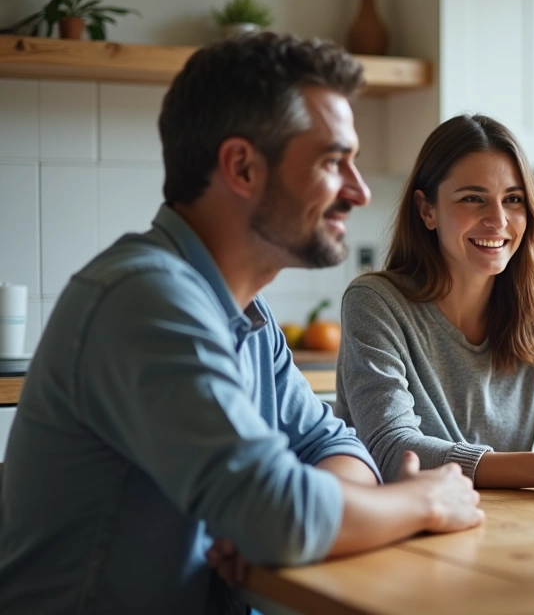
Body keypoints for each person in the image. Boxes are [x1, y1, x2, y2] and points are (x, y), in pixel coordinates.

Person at [0, 33, 483, 614]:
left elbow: (332, 444)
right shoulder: (146, 300)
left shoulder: (247, 316)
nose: (357, 191)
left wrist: (304, 511)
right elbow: (278, 514)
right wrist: (423, 502)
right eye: (334, 162)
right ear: (241, 167)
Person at [334, 114, 534, 492]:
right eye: (472, 199)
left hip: (510, 529)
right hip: (407, 531)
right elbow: (393, 451)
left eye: (513, 199)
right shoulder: (375, 303)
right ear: (426, 210)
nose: (498, 220)